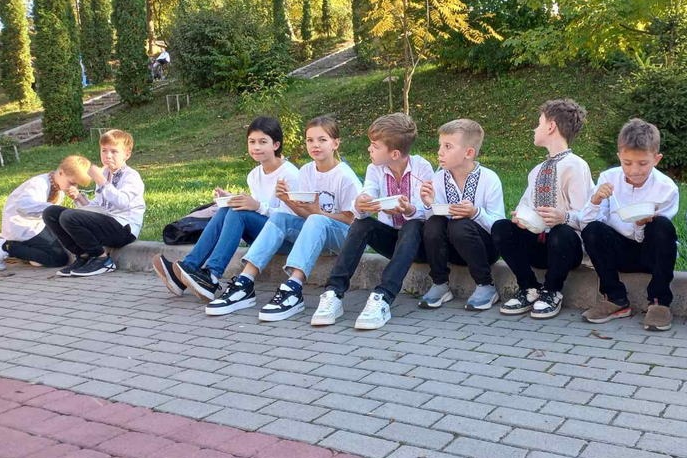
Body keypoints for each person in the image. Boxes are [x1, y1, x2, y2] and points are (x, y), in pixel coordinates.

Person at [203, 115, 362, 320]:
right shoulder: (306, 171)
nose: (315, 145)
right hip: (314, 231)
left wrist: (319, 213)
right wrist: (287, 200)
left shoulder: (344, 176)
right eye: (310, 140)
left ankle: (293, 288)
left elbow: (353, 221)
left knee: (316, 220)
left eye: (322, 140)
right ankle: (245, 283)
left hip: (343, 238)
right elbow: (305, 214)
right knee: (280, 217)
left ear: (335, 143)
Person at [154, 116, 301, 300]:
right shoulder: (254, 175)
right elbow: (256, 207)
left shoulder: (290, 174)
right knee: (227, 209)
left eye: (263, 142)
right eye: (252, 142)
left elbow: (291, 219)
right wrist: (230, 198)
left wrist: (257, 206)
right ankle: (187, 270)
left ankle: (212, 275)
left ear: (276, 145)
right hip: (263, 234)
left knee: (238, 213)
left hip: (285, 240)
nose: (256, 147)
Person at [310, 112, 433, 330]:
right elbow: (368, 194)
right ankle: (333, 293)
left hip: (419, 244)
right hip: (392, 242)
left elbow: (429, 211)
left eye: (375, 146)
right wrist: (361, 203)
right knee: (362, 224)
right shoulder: (374, 169)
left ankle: (383, 296)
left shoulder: (421, 167)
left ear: (394, 154)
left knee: (413, 224)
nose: (369, 149)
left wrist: (409, 209)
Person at [491, 99, 594, 319]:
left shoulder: (576, 166)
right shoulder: (537, 170)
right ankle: (529, 287)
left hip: (566, 250)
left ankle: (552, 291)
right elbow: (525, 205)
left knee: (560, 232)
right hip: (538, 246)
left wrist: (563, 217)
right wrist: (520, 218)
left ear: (551, 127)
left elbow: (588, 216)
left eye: (538, 124)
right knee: (501, 227)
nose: (534, 129)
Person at [579, 118, 679, 329]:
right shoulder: (608, 178)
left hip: (651, 254)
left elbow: (661, 238)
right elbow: (586, 223)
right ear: (619, 157)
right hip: (619, 252)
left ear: (656, 159)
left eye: (643, 163)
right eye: (627, 163)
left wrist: (642, 225)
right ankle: (615, 298)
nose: (634, 170)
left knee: (661, 226)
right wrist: (595, 200)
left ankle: (659, 302)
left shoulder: (666, 188)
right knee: (593, 230)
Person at [419, 119, 505, 311]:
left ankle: (486, 285)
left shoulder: (489, 179)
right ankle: (440, 283)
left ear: (469, 153)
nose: (440, 152)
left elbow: (499, 227)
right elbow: (433, 225)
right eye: (440, 145)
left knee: (459, 224)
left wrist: (475, 213)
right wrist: (429, 203)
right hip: (452, 251)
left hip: (484, 250)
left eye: (448, 146)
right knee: (433, 222)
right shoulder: (437, 179)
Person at [43, 129, 146, 277]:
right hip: (106, 221)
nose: (108, 155)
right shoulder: (104, 173)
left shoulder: (131, 176)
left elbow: (122, 203)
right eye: (104, 150)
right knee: (51, 213)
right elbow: (99, 207)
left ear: (127, 154)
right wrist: (79, 198)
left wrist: (102, 182)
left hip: (124, 228)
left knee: (68, 216)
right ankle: (83, 255)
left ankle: (102, 259)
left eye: (114, 151)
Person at [0, 155, 92, 270]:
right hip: (21, 226)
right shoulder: (39, 183)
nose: (74, 187)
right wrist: (54, 210)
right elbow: (23, 206)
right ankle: (5, 247)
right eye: (72, 183)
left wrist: (78, 198)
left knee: (61, 243)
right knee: (58, 259)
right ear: (61, 173)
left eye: (76, 184)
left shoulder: (57, 188)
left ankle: (31, 254)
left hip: (36, 226)